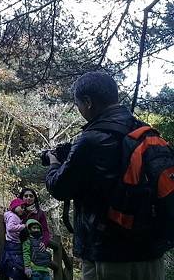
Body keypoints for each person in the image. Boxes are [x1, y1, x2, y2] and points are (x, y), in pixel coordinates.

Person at [46, 71, 166, 280]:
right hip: (150, 254)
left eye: (79, 105)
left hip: (109, 254)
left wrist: (54, 163)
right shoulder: (144, 132)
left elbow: (59, 188)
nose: (80, 110)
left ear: (88, 102)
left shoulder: (91, 140)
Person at [0, 198, 27, 280]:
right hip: (13, 243)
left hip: (14, 242)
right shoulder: (12, 216)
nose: (23, 209)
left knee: (14, 262)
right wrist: (23, 226)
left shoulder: (14, 216)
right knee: (15, 262)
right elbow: (10, 227)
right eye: (22, 207)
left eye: (24, 208)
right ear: (15, 206)